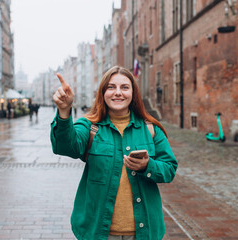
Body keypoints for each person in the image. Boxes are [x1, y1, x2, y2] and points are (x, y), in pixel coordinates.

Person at [50, 66, 178, 240]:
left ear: (133, 93)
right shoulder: (90, 126)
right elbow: (66, 146)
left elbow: (169, 168)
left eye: (124, 87)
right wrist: (64, 112)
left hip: (143, 231)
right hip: (99, 231)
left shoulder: (150, 128)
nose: (118, 92)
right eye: (111, 87)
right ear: (103, 92)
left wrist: (148, 166)